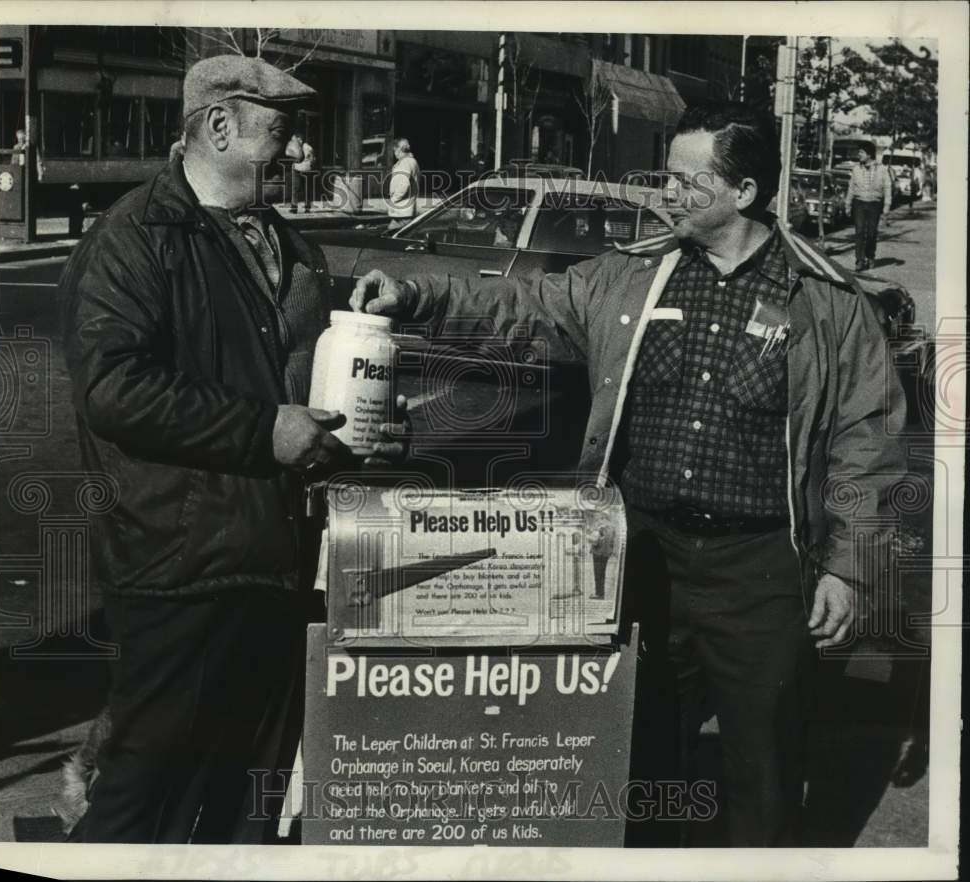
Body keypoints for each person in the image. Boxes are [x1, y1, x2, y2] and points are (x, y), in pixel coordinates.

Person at [351, 101, 907, 847]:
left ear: (743, 194)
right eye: (666, 178)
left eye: (687, 181)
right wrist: (420, 293)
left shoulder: (828, 303)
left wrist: (851, 566)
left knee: (765, 767)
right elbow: (524, 306)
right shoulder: (631, 276)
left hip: (763, 570)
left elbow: (866, 436)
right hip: (640, 555)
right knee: (641, 761)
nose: (667, 195)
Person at [60, 55, 407, 844]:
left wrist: (364, 423)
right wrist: (266, 430)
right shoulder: (134, 239)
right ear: (218, 126)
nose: (294, 154)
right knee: (145, 791)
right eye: (278, 134)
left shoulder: (288, 245)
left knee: (248, 793)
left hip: (278, 560)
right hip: (180, 567)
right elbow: (114, 389)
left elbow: (301, 388)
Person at [845, 142, 892, 272]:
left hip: (874, 204)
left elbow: (887, 188)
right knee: (859, 232)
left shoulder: (882, 169)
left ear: (869, 154)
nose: (859, 155)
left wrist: (886, 206)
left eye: (861, 152)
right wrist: (848, 204)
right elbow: (851, 188)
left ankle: (870, 256)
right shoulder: (856, 169)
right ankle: (859, 260)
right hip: (859, 203)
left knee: (871, 233)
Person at [387, 136, 419, 228]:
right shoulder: (412, 161)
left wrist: (393, 200)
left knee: (391, 237)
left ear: (399, 149)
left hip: (402, 211)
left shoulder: (405, 163)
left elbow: (403, 185)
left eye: (395, 150)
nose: (394, 153)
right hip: (406, 210)